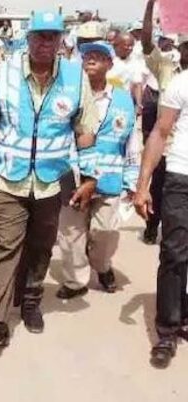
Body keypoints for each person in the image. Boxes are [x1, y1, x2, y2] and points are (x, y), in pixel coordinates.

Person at [0, 11, 98, 346]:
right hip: (7, 180)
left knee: (41, 247)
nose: (45, 42)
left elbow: (85, 132)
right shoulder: (7, 72)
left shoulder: (75, 77)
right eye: (39, 36)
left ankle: (30, 301)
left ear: (60, 41)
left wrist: (89, 177)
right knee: (7, 246)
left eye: (52, 36)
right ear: (28, 39)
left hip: (51, 182)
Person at [56, 41, 139, 299]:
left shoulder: (124, 99)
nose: (91, 59)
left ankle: (101, 266)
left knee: (104, 233)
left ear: (110, 65)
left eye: (99, 56)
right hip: (73, 175)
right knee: (71, 233)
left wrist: (133, 181)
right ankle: (75, 281)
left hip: (110, 178)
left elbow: (131, 141)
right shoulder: (69, 96)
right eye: (87, 56)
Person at [134, 40, 188, 367]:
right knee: (174, 252)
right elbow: (160, 131)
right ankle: (167, 330)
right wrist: (143, 185)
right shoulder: (181, 84)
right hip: (181, 177)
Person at [138, 0, 184, 244]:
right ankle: (151, 226)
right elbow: (146, 43)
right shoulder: (165, 67)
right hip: (165, 147)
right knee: (157, 188)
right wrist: (150, 6)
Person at [107, 33, 143, 107]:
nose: (130, 48)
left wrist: (139, 104)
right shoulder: (107, 58)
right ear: (118, 45)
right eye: (127, 45)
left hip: (122, 102)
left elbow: (137, 84)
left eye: (132, 45)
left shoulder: (134, 63)